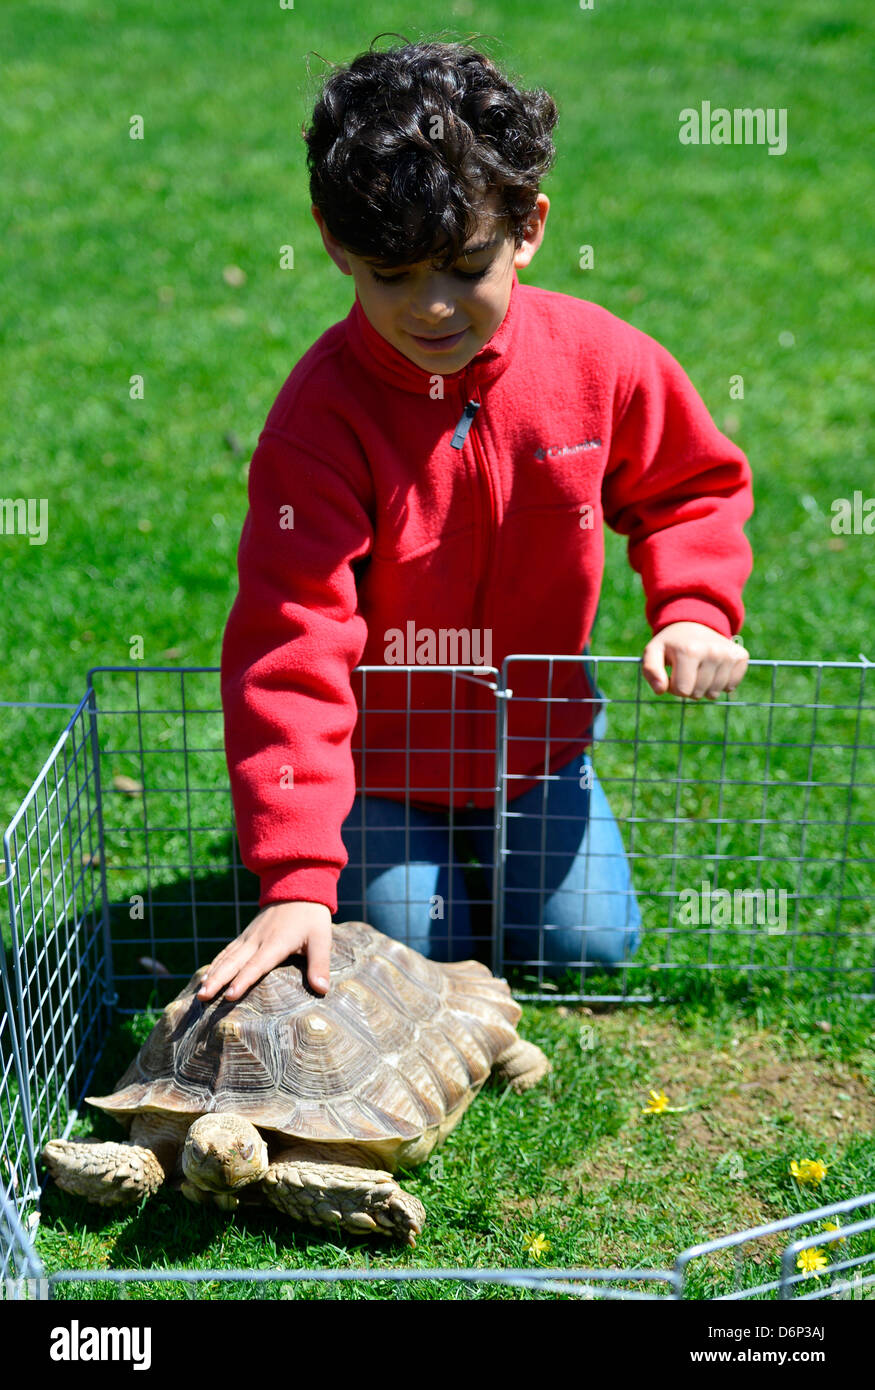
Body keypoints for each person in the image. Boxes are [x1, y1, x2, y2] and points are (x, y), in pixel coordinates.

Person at [198, 37, 752, 1006]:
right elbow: (293, 637)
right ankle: (365, 851)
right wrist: (294, 878)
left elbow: (686, 488)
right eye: (392, 274)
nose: (432, 306)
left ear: (528, 227)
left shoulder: (602, 361)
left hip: (537, 750)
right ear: (333, 241)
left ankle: (482, 858)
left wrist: (693, 604)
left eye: (464, 264)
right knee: (405, 959)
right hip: (385, 761)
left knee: (583, 952)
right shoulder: (320, 421)